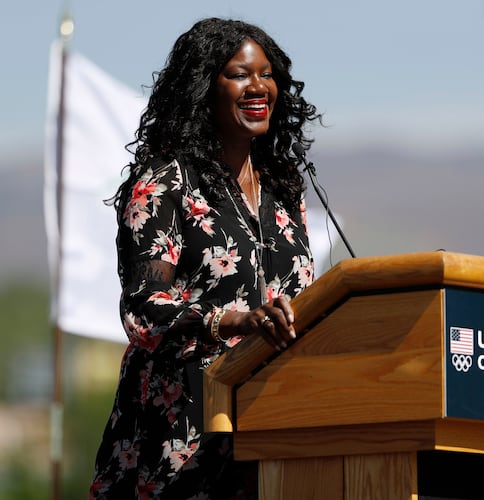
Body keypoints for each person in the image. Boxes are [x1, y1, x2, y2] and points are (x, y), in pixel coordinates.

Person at [89, 17, 320, 499]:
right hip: (178, 437)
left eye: (266, 73)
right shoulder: (165, 185)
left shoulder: (284, 191)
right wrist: (236, 322)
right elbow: (144, 310)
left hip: (272, 431)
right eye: (239, 74)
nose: (258, 87)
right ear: (203, 89)